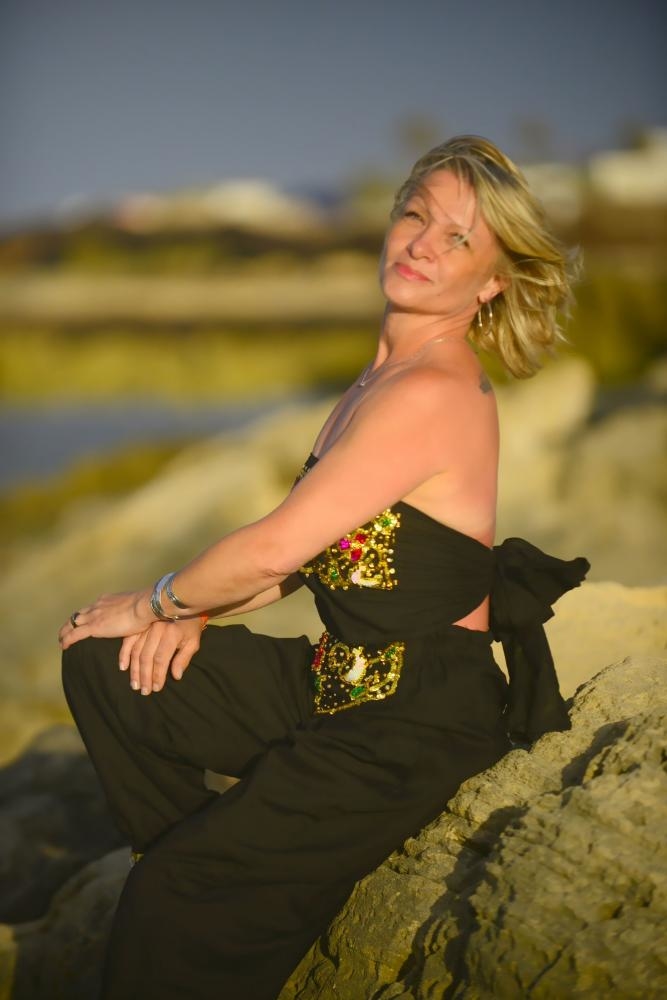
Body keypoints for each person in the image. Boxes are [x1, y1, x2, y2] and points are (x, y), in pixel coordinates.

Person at [59, 135, 589, 1000]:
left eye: (458, 238)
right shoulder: (374, 383)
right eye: (415, 215)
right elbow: (301, 561)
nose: (422, 244)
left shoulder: (431, 391)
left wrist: (157, 602)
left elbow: (272, 547)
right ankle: (217, 872)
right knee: (102, 664)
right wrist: (195, 612)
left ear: (491, 281)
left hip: (414, 719)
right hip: (335, 681)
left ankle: (203, 887)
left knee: (171, 894)